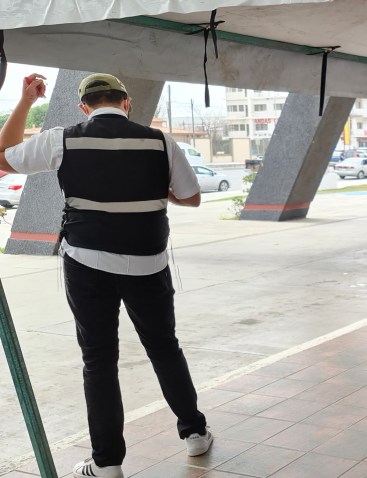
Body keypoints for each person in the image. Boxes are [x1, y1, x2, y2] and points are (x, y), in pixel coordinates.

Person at [0, 73, 212, 478]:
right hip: (149, 264)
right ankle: (195, 434)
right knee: (164, 348)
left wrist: (26, 101)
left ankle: (107, 463)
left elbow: (2, 155)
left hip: (87, 262)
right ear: (126, 102)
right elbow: (192, 198)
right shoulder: (160, 141)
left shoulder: (62, 140)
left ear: (85, 107)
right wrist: (155, 191)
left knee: (99, 360)